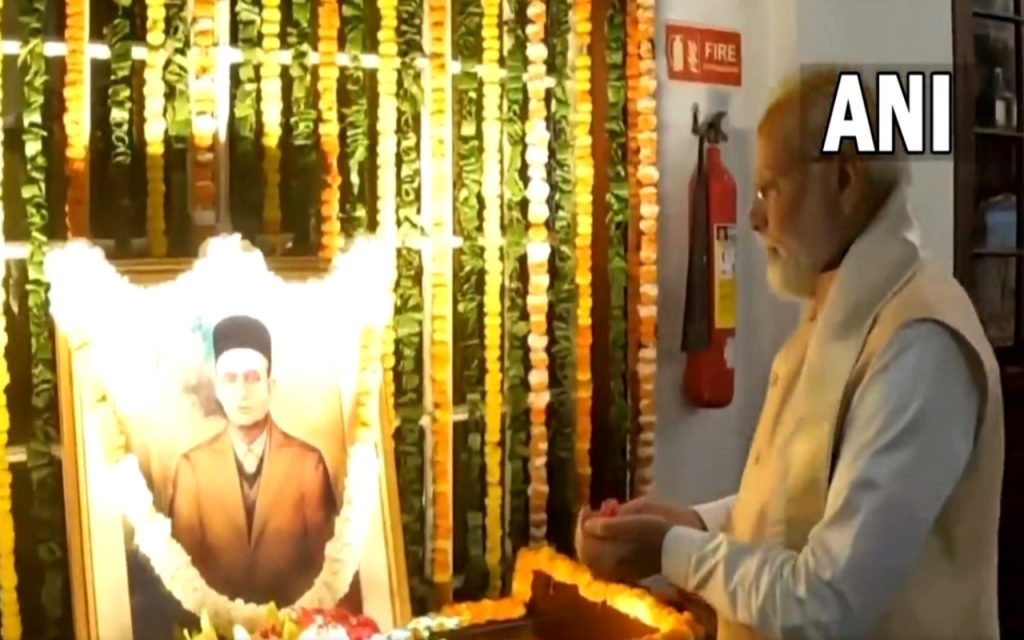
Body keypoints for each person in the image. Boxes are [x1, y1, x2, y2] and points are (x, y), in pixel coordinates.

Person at [577, 66, 1004, 639]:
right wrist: (694, 523)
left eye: (769, 190)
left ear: (844, 179)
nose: (754, 219)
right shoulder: (843, 309)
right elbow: (802, 502)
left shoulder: (919, 344)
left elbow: (826, 600)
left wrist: (671, 551)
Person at [168, 314, 358, 608]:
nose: (241, 392)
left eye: (252, 378)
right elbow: (181, 579)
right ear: (217, 388)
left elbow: (329, 570)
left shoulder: (307, 465)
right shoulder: (192, 469)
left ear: (270, 385)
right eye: (230, 379)